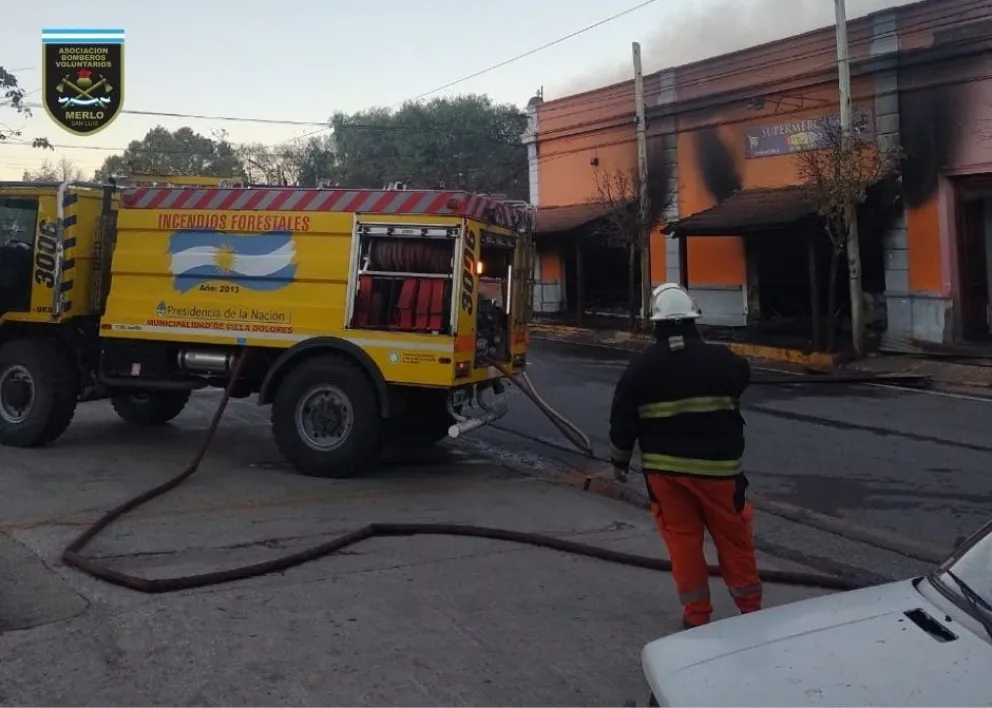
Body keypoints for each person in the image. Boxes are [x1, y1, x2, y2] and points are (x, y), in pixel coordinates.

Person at [608, 283, 761, 630]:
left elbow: (622, 419)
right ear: (695, 320)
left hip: (665, 475)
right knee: (734, 539)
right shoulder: (725, 361)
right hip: (720, 473)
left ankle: (696, 618)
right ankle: (751, 613)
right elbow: (741, 378)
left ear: (655, 324)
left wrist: (619, 462)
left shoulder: (641, 368)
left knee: (683, 544)